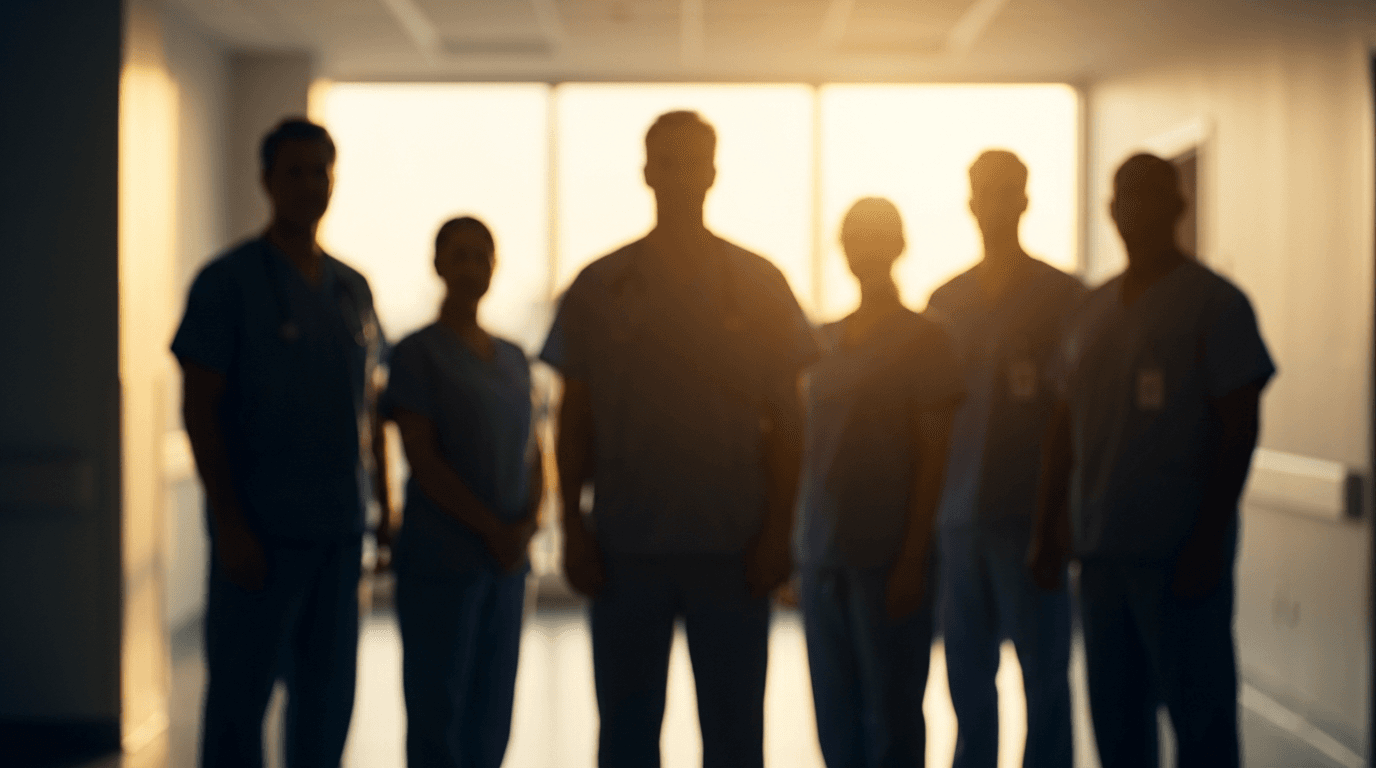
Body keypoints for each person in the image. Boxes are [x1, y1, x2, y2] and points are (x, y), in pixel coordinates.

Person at [540, 110, 819, 768]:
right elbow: (572, 418)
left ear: (714, 172)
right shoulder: (599, 286)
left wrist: (780, 533)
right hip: (625, 547)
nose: (680, 174)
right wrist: (572, 533)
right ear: (646, 171)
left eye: (693, 160)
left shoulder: (760, 284)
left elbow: (790, 423)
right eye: (667, 160)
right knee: (627, 733)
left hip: (734, 547)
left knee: (733, 734)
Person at [1028, 153, 1275, 768]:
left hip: (1181, 553)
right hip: (1102, 550)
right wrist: (1046, 527)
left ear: (1179, 206)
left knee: (1201, 722)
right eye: (1125, 199)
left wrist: (1208, 538)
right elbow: (1063, 426)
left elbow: (1238, 427)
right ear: (1111, 210)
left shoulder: (1215, 304)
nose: (1135, 211)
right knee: (1116, 723)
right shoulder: (1089, 311)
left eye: (1151, 197)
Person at [172, 117, 388, 768]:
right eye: (294, 171)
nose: (309, 184)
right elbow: (200, 409)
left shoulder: (352, 288)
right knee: (241, 698)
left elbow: (367, 412)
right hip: (258, 532)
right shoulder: (227, 283)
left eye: (320, 171)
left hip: (338, 530)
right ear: (266, 181)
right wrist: (230, 523)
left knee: (327, 697)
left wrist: (379, 514)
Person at [926, 150, 1083, 768]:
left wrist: (1055, 524)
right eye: (982, 192)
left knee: (1044, 671)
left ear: (1024, 199)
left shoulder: (1063, 297)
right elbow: (931, 422)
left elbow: (1071, 419)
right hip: (958, 520)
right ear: (969, 203)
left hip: (1031, 519)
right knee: (967, 672)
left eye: (1005, 192)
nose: (993, 204)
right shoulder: (946, 301)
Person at [794, 198, 963, 768]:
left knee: (892, 717)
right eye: (852, 239)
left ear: (898, 246)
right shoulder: (822, 340)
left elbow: (934, 453)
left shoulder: (927, 341)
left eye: (875, 238)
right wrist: (799, 552)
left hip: (889, 557)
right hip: (823, 558)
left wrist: (915, 556)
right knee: (835, 718)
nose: (862, 251)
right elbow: (808, 453)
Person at [382, 216, 543, 768]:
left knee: (492, 708)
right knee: (438, 706)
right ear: (438, 265)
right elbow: (423, 460)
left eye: (483, 256)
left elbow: (533, 447)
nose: (472, 267)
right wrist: (493, 529)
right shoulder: (415, 354)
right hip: (442, 556)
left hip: (507, 562)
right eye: (461, 255)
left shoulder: (515, 359)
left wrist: (525, 526)